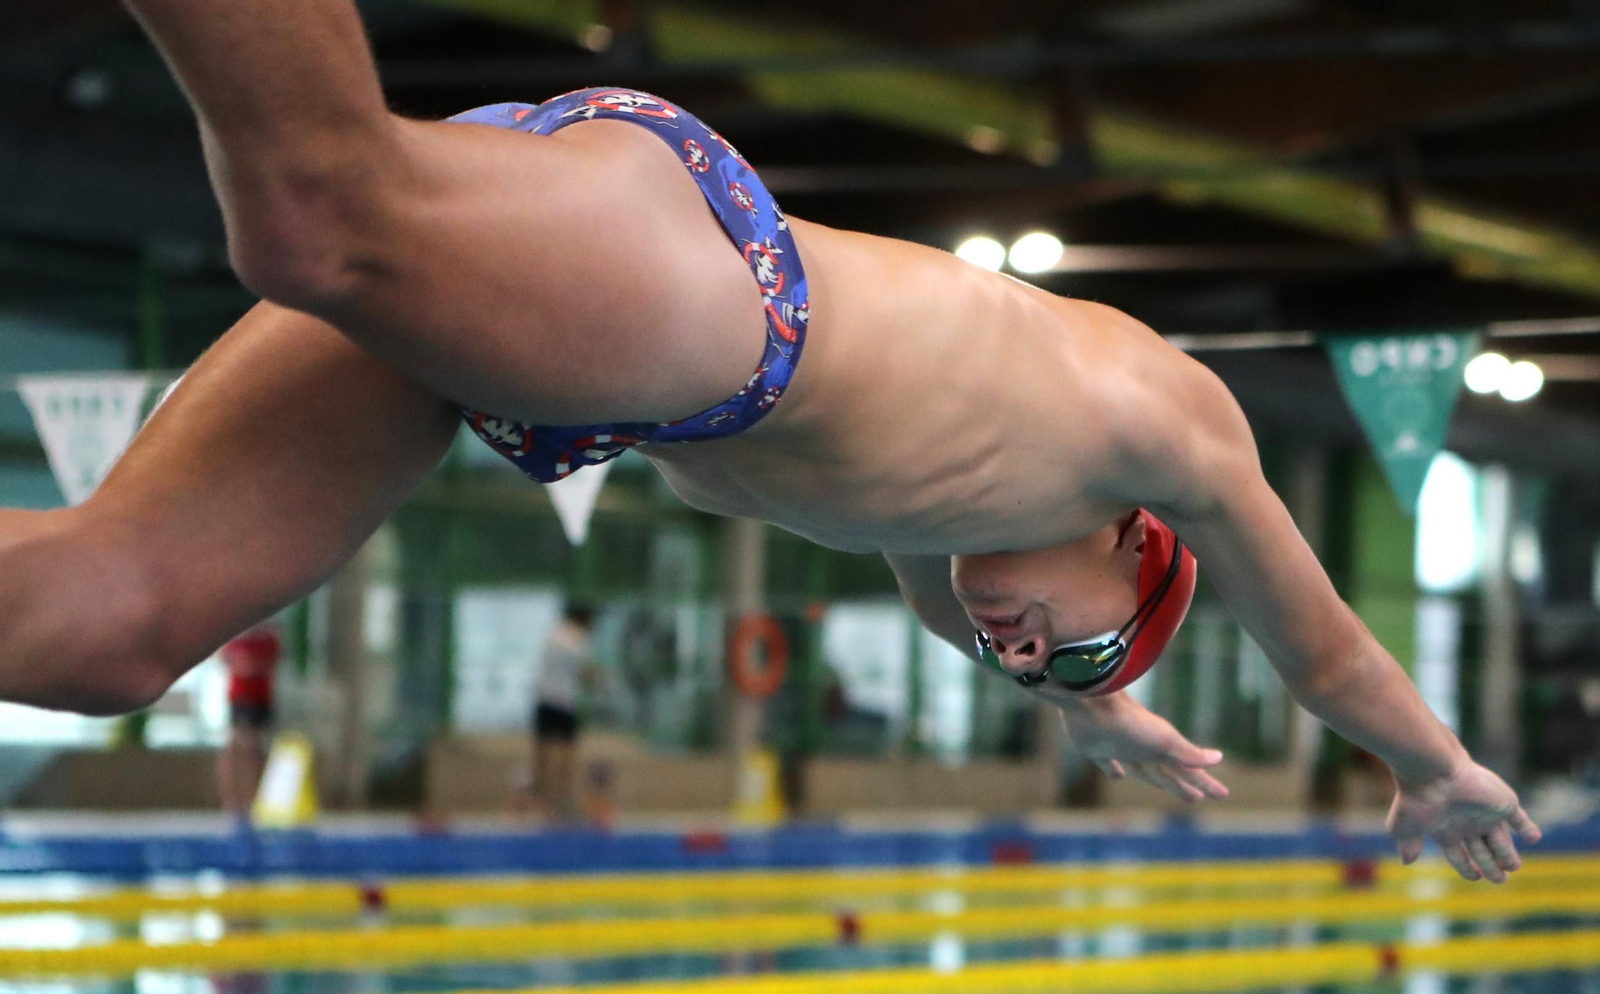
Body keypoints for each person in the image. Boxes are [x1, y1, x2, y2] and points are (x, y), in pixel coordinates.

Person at [0, 0, 1538, 884]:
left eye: (1030, 669)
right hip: (705, 279)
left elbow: (971, 610)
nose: (1020, 651)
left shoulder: (945, 540)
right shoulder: (1162, 424)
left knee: (105, 629)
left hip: (587, 361)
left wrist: (1087, 713)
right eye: (1076, 648)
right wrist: (1434, 761)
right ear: (1137, 544)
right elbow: (1322, 651)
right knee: (311, 220)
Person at [528, 603, 597, 820]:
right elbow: (585, 673)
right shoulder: (576, 639)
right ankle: (560, 803)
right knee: (566, 758)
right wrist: (600, 681)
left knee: (543, 756)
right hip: (563, 704)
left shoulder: (552, 635)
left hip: (544, 700)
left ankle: (543, 803)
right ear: (583, 621)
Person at [217, 624, 281, 815]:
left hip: (261, 699)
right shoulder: (236, 635)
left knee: (256, 750)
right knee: (235, 747)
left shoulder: (268, 638)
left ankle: (254, 799)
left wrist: (248, 665)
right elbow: (226, 659)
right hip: (240, 698)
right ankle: (232, 800)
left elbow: (270, 663)